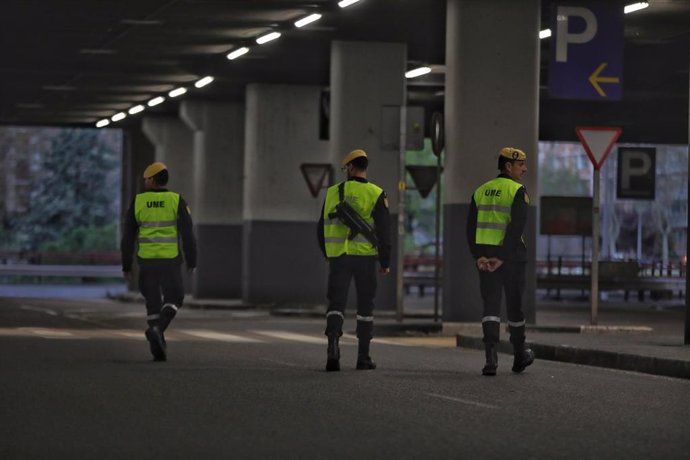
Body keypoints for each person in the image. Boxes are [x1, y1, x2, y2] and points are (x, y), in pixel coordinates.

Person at [317, 149, 391, 372]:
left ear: (350, 167)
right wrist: (385, 262)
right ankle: (363, 357)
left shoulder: (332, 192)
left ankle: (333, 348)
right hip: (366, 258)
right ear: (365, 167)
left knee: (336, 303)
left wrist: (327, 253)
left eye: (345, 168)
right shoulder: (376, 193)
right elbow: (385, 232)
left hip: (339, 257)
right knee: (365, 307)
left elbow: (320, 228)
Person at [466, 147, 535, 376]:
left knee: (490, 306)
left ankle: (490, 359)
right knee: (515, 306)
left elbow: (470, 229)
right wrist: (503, 257)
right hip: (511, 259)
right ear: (508, 166)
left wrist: (480, 257)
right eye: (520, 165)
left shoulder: (480, 191)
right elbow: (516, 228)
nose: (524, 169)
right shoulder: (517, 191)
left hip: (486, 260)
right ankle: (519, 356)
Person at [121, 162, 197, 362]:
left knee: (153, 303)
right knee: (175, 298)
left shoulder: (137, 202)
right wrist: (192, 260)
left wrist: (126, 265)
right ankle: (158, 331)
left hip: (146, 262)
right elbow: (188, 234)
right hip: (170, 260)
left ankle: (157, 343)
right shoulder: (176, 201)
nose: (145, 181)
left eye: (146, 178)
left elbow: (127, 237)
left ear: (153, 180)